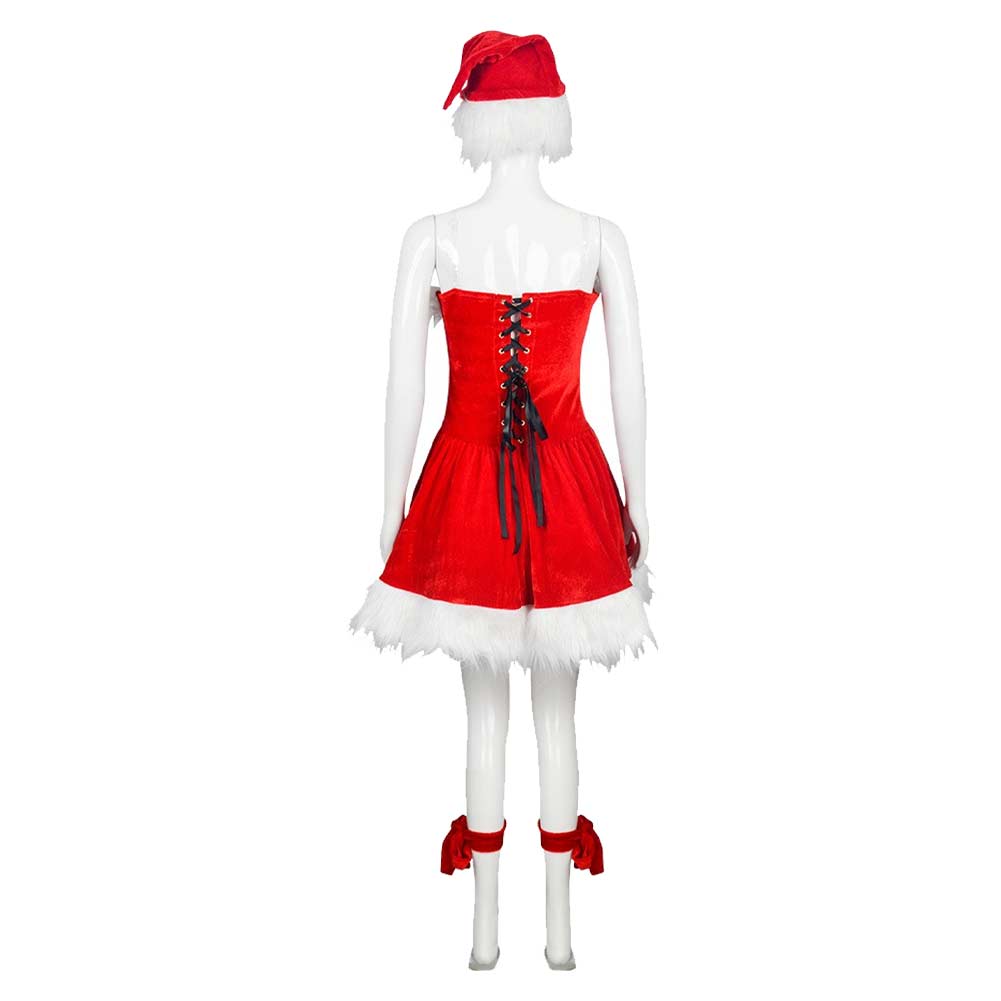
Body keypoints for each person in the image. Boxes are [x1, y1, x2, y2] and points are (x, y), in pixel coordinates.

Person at [350, 31, 656, 970]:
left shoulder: (433, 237)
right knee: (558, 713)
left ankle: (484, 937)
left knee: (482, 713)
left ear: (476, 122)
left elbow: (402, 390)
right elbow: (630, 388)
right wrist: (638, 503)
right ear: (548, 119)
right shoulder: (596, 237)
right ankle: (558, 938)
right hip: (571, 487)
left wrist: (391, 510)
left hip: (463, 486)